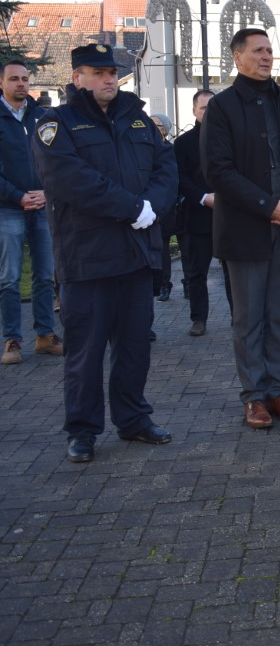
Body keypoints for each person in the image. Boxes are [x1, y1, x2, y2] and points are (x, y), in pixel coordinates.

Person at [31, 44, 178, 463]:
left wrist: (153, 205)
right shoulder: (56, 122)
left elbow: (166, 167)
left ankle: (133, 420)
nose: (109, 79)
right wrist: (133, 208)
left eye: (112, 71)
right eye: (98, 72)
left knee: (135, 347)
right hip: (88, 258)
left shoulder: (137, 117)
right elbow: (69, 179)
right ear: (77, 77)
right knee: (86, 352)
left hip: (136, 255)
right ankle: (82, 430)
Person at [202, 28, 280, 429]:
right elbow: (218, 170)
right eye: (258, 50)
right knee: (249, 318)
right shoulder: (222, 107)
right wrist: (267, 206)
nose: (267, 56)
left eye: (270, 50)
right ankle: (253, 396)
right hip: (246, 228)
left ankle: (277, 391)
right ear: (238, 57)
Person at [1, 60, 63, 365]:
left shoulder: (43, 117)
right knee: (9, 278)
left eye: (25, 79)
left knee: (43, 274)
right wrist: (17, 196)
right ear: (2, 83)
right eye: (14, 79)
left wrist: (46, 191)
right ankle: (12, 339)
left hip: (41, 206)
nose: (21, 84)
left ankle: (45, 335)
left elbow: (58, 160)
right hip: (7, 209)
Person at [174, 89, 228, 337]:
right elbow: (180, 178)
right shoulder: (182, 143)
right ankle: (199, 319)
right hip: (197, 216)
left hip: (229, 217)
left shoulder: (231, 139)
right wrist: (203, 198)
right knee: (197, 273)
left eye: (212, 107)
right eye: (204, 108)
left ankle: (240, 318)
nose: (208, 112)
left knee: (234, 274)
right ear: (194, 111)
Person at [150, 113, 178, 304]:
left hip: (166, 209)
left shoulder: (168, 150)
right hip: (145, 208)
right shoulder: (143, 150)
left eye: (158, 125)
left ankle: (164, 285)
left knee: (163, 248)